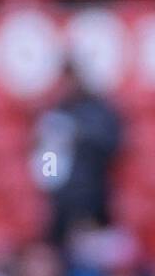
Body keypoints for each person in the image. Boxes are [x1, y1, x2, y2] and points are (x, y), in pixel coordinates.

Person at [31, 61, 124, 246]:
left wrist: (78, 134)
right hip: (61, 199)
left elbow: (113, 145)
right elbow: (46, 160)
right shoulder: (55, 112)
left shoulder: (99, 110)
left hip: (93, 196)